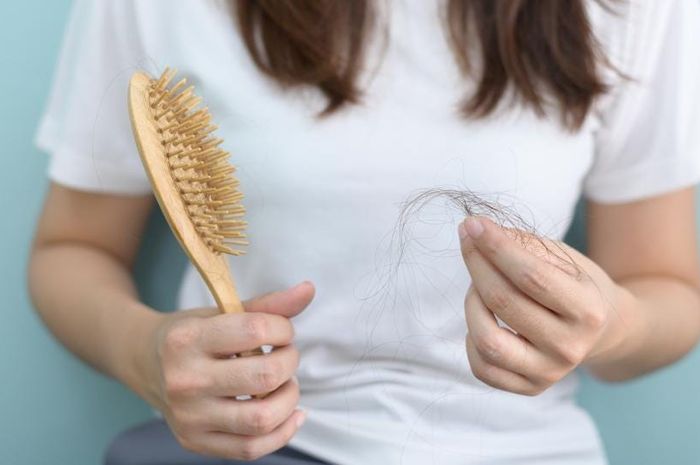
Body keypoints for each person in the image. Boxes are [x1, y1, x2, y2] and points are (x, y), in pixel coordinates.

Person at [28, 1, 700, 464]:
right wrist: (142, 351)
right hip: (257, 445)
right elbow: (72, 248)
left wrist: (609, 323)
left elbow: (668, 286)